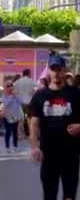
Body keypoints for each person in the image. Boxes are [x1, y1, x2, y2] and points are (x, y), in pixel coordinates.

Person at [30, 54, 80, 200]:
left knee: (69, 195)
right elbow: (33, 123)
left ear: (65, 70)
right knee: (49, 194)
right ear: (49, 71)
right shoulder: (40, 95)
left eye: (59, 69)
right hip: (48, 153)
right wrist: (34, 147)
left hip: (71, 154)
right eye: (53, 69)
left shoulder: (76, 94)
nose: (56, 73)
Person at [0, 80, 23, 153]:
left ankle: (15, 146)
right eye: (8, 86)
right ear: (5, 88)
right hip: (7, 116)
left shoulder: (15, 95)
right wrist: (11, 97)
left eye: (11, 85)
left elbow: (20, 102)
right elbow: (5, 104)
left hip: (15, 116)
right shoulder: (3, 96)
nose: (10, 87)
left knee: (15, 132)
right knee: (8, 132)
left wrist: (16, 96)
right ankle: (7, 147)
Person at [14, 68, 36, 138]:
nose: (31, 75)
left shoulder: (18, 82)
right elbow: (34, 91)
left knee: (20, 120)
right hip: (29, 103)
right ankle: (30, 134)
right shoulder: (31, 81)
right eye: (30, 73)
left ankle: (20, 134)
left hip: (20, 103)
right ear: (28, 74)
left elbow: (14, 92)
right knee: (29, 119)